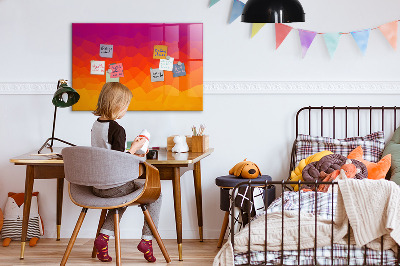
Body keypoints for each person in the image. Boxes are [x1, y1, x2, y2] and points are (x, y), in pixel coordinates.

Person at [91, 82, 161, 263]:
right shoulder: (117, 129)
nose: (126, 110)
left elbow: (108, 154)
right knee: (156, 194)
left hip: (97, 186)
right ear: (117, 105)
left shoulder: (96, 125)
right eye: (126, 106)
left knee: (121, 197)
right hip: (114, 186)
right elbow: (119, 161)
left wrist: (131, 149)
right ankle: (147, 240)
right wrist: (136, 148)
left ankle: (103, 238)